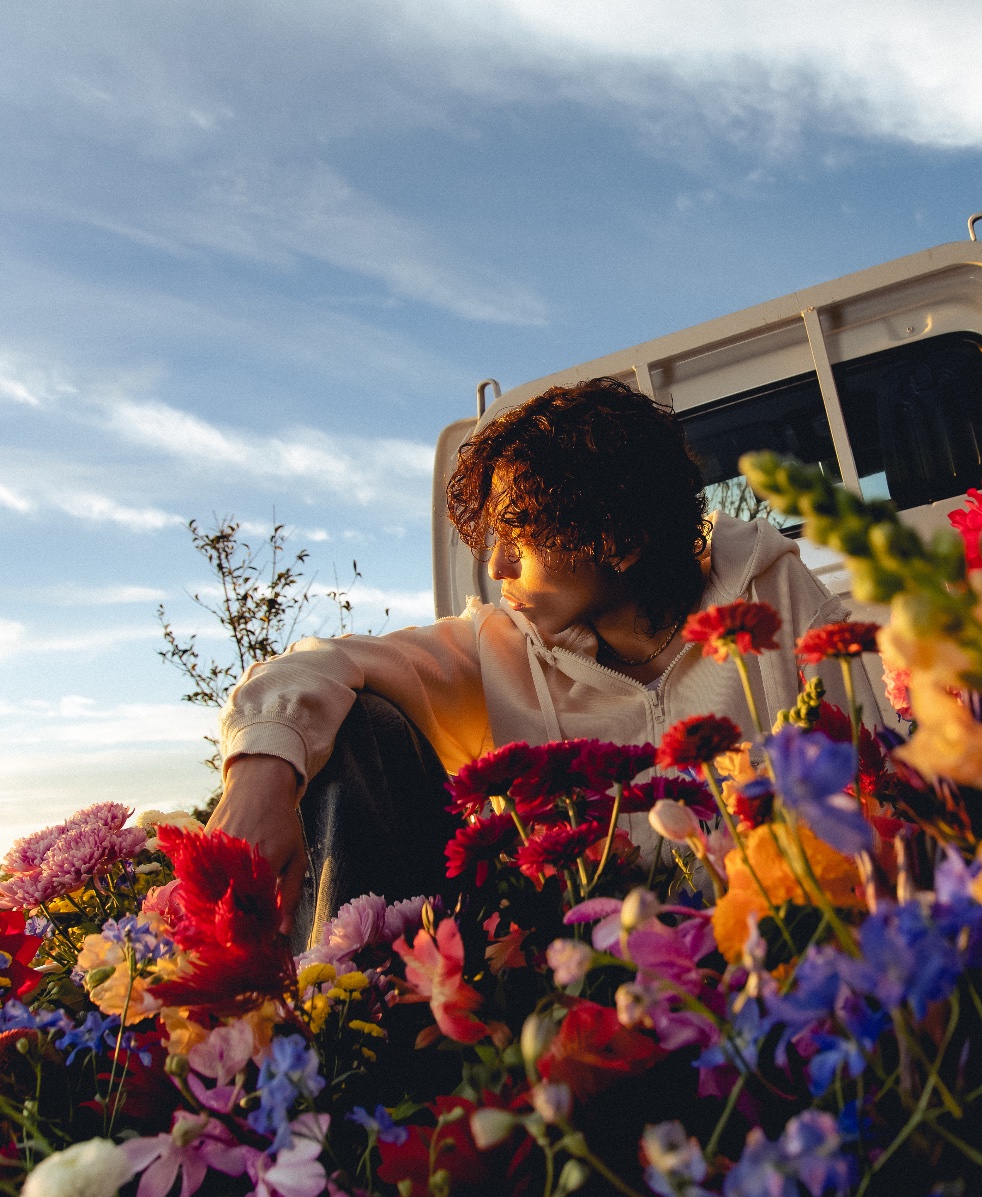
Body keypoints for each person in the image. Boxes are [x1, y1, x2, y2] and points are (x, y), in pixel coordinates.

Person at [208, 377, 877, 943]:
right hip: (586, 990)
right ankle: (338, 1003)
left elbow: (871, 785)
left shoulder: (772, 593)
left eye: (521, 540)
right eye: (493, 540)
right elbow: (315, 662)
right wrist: (261, 771)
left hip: (796, 951)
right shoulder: (496, 647)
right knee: (362, 724)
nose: (497, 567)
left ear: (621, 540)